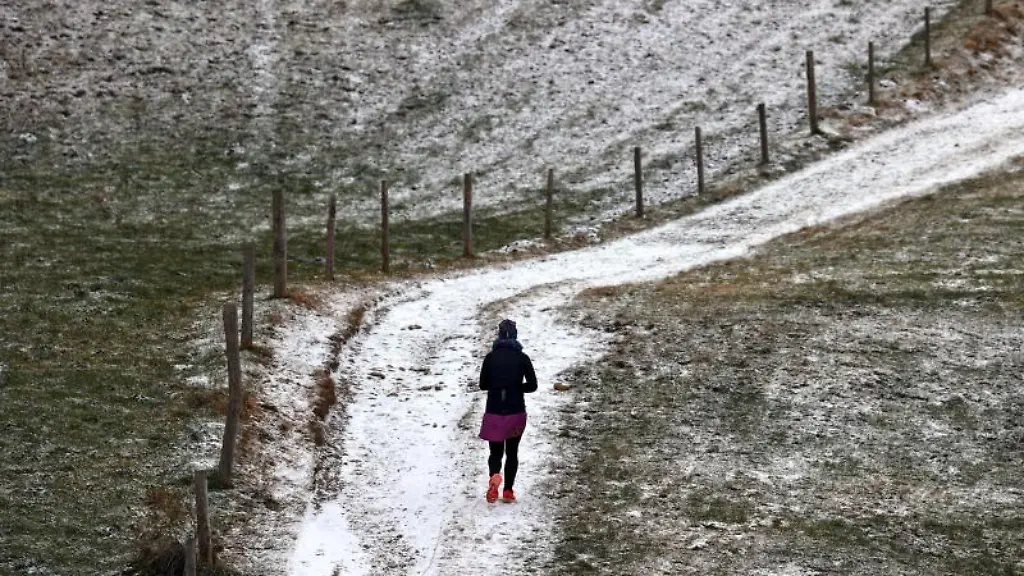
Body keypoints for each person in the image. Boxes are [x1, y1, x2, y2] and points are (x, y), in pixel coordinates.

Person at [479, 319, 537, 503]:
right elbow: (533, 385)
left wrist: (497, 385)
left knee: (495, 452)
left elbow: (483, 385)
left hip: (494, 410)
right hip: (516, 411)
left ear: (499, 336)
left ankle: (495, 476)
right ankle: (509, 490)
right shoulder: (522, 358)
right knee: (512, 452)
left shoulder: (490, 357)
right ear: (515, 336)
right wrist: (517, 388)